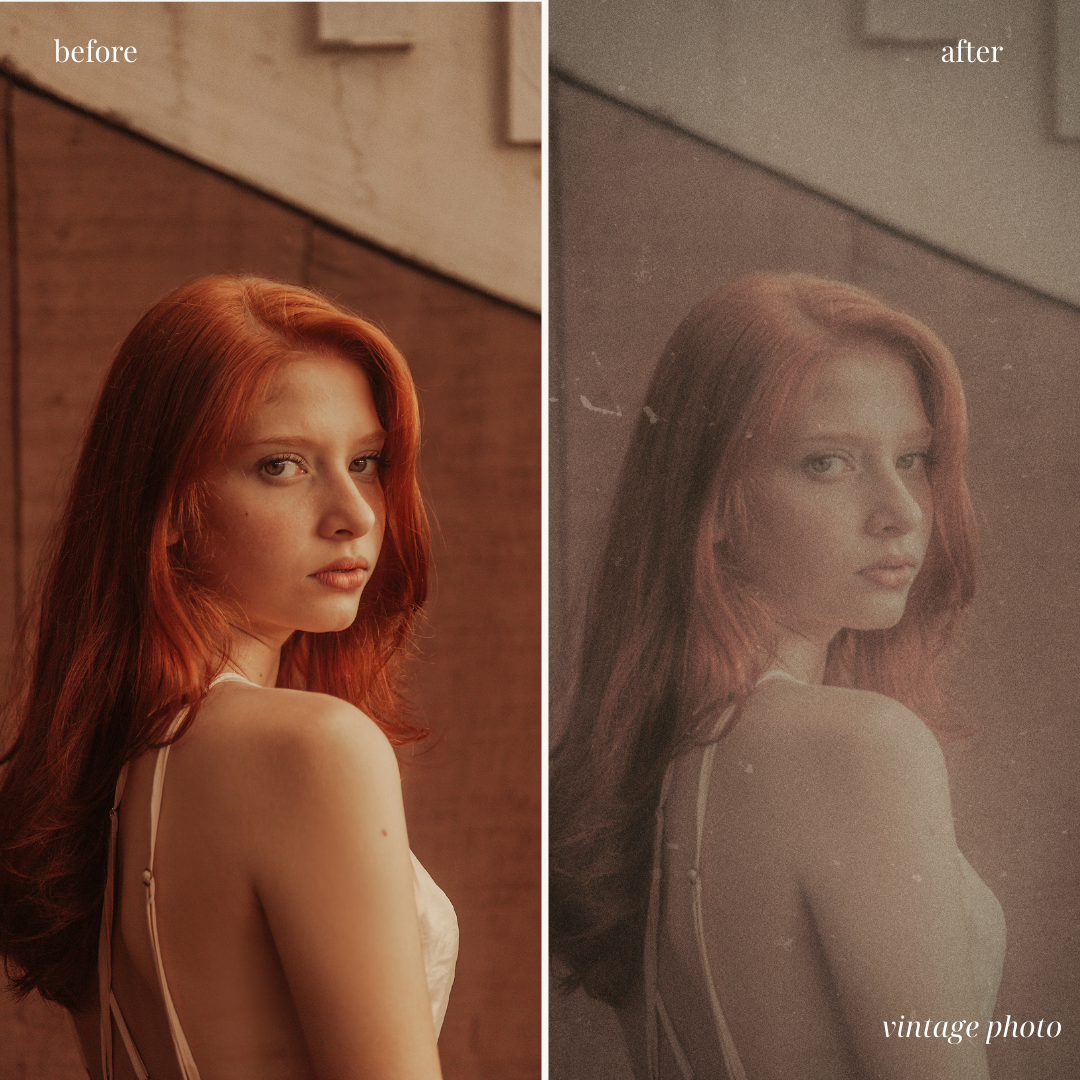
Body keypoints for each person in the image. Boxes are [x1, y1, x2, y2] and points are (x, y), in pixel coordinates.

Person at [0, 276, 457, 1080]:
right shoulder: (316, 749)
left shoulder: (103, 768)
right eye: (282, 465)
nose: (355, 512)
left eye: (365, 461)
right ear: (169, 506)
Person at [550, 273, 1004, 1080]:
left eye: (913, 458)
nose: (902, 510)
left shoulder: (654, 758)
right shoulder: (863, 745)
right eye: (828, 462)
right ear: (712, 502)